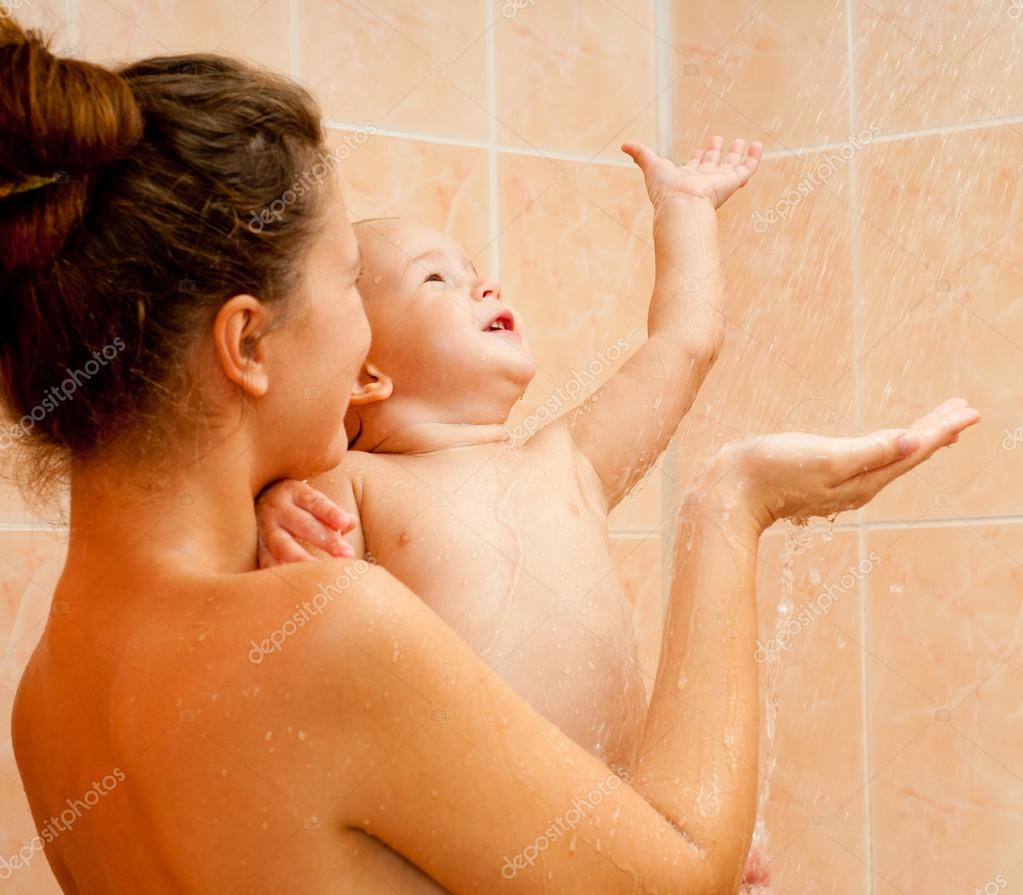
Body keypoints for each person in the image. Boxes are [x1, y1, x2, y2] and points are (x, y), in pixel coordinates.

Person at [1, 19, 980, 894]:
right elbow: (674, 877)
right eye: (349, 279)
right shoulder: (323, 626)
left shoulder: (46, 701)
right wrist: (732, 506)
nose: (361, 342)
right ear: (247, 345)